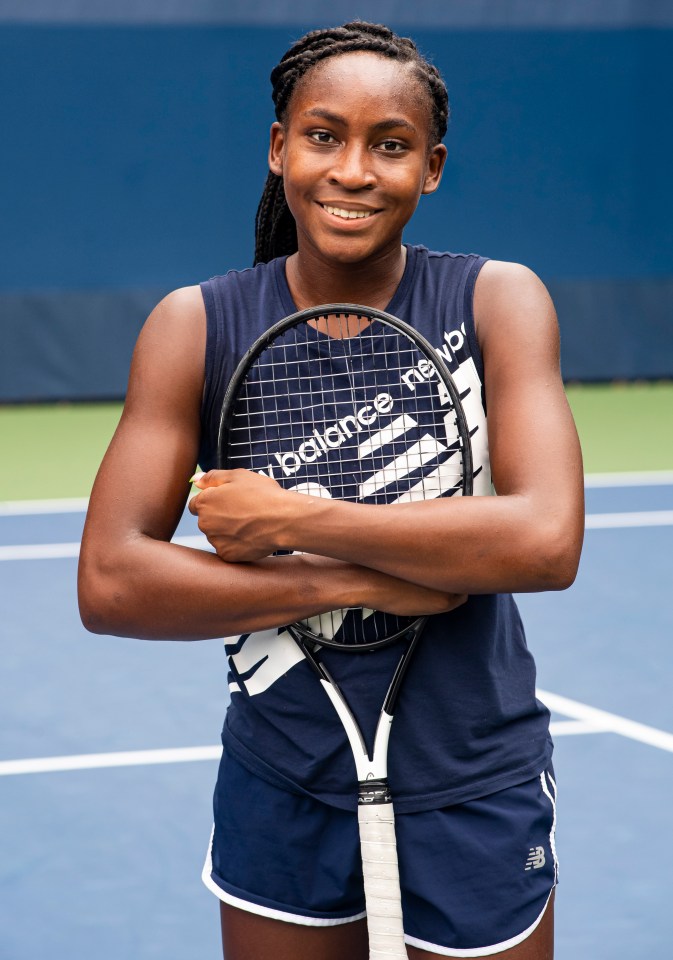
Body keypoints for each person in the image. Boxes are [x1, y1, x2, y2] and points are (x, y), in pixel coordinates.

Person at [78, 20, 583, 960]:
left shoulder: (496, 300)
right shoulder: (196, 325)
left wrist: (295, 520)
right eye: (323, 136)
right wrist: (349, 581)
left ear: (430, 168)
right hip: (282, 783)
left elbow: (546, 541)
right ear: (279, 149)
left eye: (389, 146)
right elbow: (109, 583)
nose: (352, 170)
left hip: (474, 779)